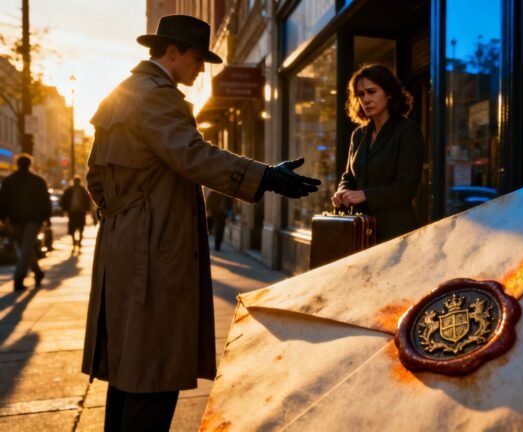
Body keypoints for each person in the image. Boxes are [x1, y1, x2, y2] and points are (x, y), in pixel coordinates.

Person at [80, 15, 320, 431]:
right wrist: (266, 176)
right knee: (154, 369)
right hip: (153, 250)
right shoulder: (157, 95)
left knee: (128, 369)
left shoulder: (121, 93)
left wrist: (125, 214)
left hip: (125, 243)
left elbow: (94, 178)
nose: (201, 68)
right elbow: (191, 154)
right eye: (196, 57)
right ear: (171, 52)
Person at [332, 64, 425, 242]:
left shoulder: (408, 131)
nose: (365, 99)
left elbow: (407, 188)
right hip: (360, 228)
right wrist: (342, 192)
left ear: (389, 93)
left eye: (371, 91)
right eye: (360, 94)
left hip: (396, 232)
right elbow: (349, 176)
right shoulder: (358, 135)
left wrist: (365, 194)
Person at [0, 154, 51, 291]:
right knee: (26, 248)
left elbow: (3, 200)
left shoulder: (9, 181)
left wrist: (3, 218)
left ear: (17, 164)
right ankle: (37, 273)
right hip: (34, 220)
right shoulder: (38, 181)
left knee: (24, 248)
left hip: (16, 219)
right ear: (30, 164)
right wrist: (47, 218)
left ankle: (19, 277)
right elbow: (45, 201)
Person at [61, 176, 93, 255]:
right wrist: (65, 209)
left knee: (81, 229)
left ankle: (79, 244)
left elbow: (88, 200)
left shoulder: (83, 190)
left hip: (81, 212)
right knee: (72, 229)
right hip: (72, 212)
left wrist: (88, 209)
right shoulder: (69, 190)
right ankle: (74, 243)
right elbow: (63, 199)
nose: (76, 183)